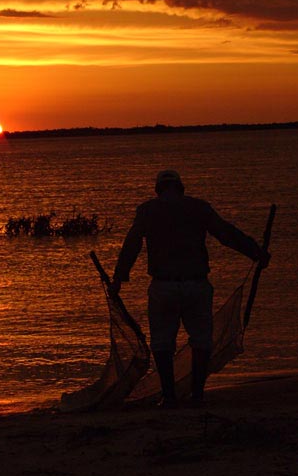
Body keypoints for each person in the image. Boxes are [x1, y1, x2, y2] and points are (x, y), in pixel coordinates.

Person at [111, 169, 270, 408]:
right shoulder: (198, 208)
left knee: (162, 342)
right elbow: (226, 234)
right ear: (181, 188)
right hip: (196, 285)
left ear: (158, 190)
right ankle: (197, 394)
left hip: (164, 287)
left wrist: (119, 278)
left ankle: (169, 396)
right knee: (201, 339)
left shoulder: (147, 211)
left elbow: (131, 244)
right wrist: (255, 252)